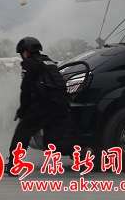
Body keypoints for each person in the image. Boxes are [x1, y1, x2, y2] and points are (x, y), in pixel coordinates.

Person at [5, 36, 75, 175]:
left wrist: (22, 111)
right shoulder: (49, 61)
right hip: (61, 103)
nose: (22, 56)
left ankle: (13, 165)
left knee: (23, 131)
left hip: (45, 103)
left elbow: (26, 90)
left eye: (22, 53)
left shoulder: (29, 63)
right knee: (53, 139)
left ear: (26, 52)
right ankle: (80, 151)